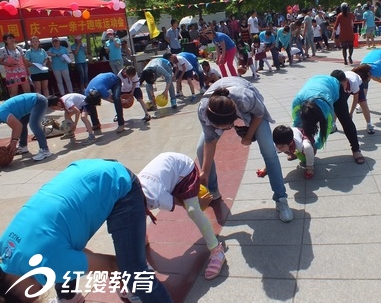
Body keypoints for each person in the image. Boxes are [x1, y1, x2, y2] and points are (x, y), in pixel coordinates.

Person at [0, 159, 173, 303]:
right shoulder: (5, 248)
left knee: (133, 272)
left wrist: (123, 279)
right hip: (83, 172)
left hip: (117, 183)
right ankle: (69, 297)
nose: (38, 297)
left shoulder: (50, 264)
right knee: (62, 264)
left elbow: (111, 265)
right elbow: (64, 252)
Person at [196, 77, 293, 222]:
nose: (228, 131)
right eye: (219, 129)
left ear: (234, 119)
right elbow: (210, 141)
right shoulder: (204, 109)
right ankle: (213, 191)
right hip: (222, 108)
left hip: (253, 113)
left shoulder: (244, 97)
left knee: (269, 151)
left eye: (228, 128)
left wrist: (248, 136)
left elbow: (259, 114)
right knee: (200, 150)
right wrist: (204, 172)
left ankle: (281, 198)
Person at [138, 152, 226, 280]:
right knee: (138, 212)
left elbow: (178, 201)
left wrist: (196, 202)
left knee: (192, 210)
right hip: (165, 171)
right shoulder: (132, 194)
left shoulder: (156, 196)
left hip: (184, 170)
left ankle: (217, 250)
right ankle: (141, 239)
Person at [292, 75, 365, 164]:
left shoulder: (326, 108)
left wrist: (317, 145)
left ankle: (356, 149)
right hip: (314, 83)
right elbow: (296, 125)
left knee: (345, 119)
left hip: (334, 86)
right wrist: (296, 145)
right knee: (302, 127)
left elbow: (327, 127)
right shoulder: (297, 103)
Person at [0, 93, 57, 161]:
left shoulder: (2, 114)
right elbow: (16, 126)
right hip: (33, 102)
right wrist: (12, 141)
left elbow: (17, 126)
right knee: (22, 122)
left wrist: (14, 141)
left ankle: (45, 150)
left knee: (34, 125)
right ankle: (23, 146)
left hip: (38, 101)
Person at [331, 68, 375, 134]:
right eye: (338, 85)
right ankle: (333, 124)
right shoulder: (336, 84)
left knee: (363, 103)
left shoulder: (354, 82)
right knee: (337, 105)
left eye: (341, 85)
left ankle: (369, 124)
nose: (340, 87)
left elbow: (355, 99)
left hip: (357, 85)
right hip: (347, 87)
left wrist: (351, 113)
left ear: (346, 81)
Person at [0, 33, 31, 98]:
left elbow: (24, 59)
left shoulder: (18, 48)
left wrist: (27, 70)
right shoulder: (3, 50)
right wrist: (9, 64)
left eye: (13, 38)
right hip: (11, 73)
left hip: (22, 72)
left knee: (27, 91)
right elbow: (0, 61)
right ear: (5, 41)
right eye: (10, 38)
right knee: (14, 93)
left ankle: (29, 105)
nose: (12, 39)